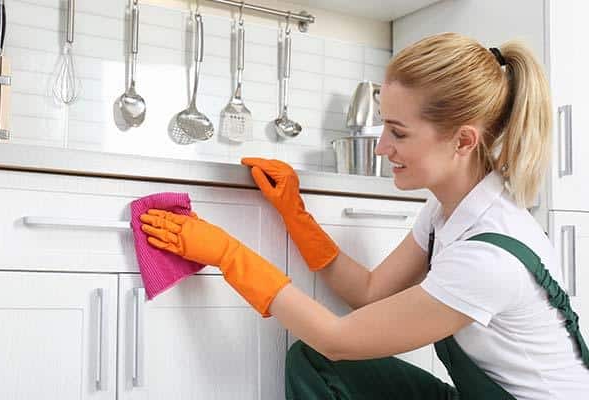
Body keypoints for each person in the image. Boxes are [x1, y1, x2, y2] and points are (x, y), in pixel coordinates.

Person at [139, 32, 589, 399]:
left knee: (327, 348)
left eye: (398, 132)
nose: (381, 147)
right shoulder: (446, 211)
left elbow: (339, 336)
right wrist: (297, 216)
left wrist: (229, 254)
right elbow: (371, 293)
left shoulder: (488, 257)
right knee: (314, 362)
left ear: (463, 141)